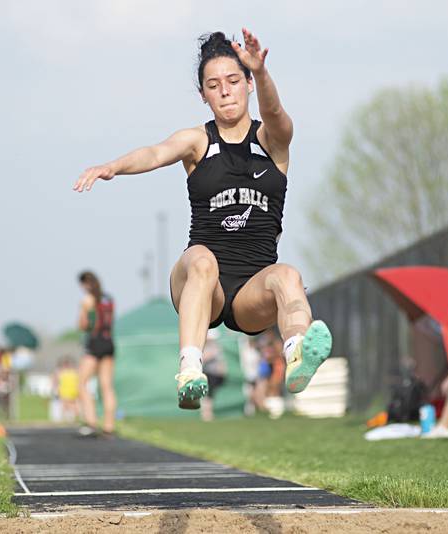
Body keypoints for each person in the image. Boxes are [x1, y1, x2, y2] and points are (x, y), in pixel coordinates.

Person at [73, 29, 332, 410]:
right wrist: (113, 167)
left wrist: (261, 72)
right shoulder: (198, 141)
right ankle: (190, 371)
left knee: (289, 276)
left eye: (232, 81)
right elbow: (155, 153)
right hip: (200, 287)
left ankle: (297, 356)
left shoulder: (272, 140)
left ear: (247, 85)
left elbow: (276, 113)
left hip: (250, 292)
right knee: (202, 259)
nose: (225, 91)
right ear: (204, 95)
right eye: (214, 85)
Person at [77, 271, 117, 437]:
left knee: (81, 383)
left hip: (95, 343)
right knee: (106, 386)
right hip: (108, 342)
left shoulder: (87, 300)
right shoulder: (109, 299)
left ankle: (91, 421)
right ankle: (108, 426)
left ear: (86, 284)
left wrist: (83, 313)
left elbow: (83, 325)